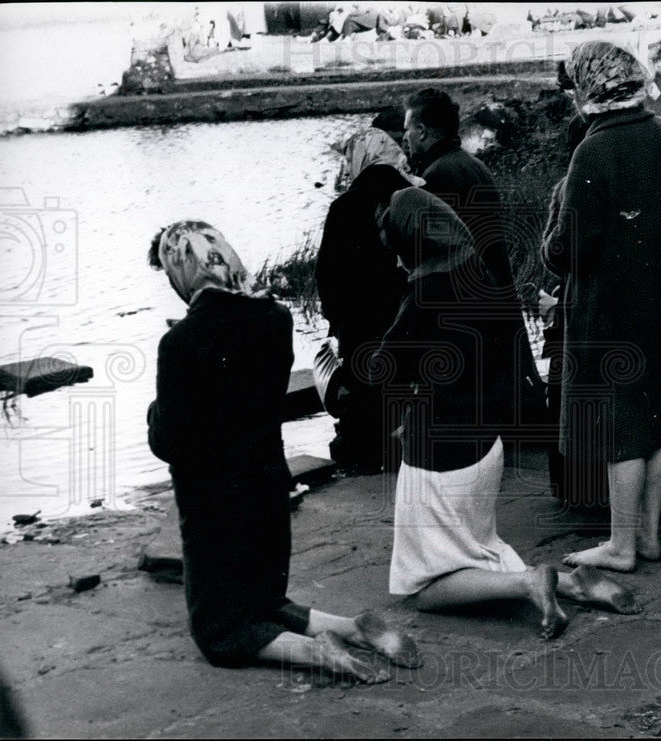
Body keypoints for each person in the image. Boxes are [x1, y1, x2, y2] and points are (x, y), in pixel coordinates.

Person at [147, 220, 419, 680]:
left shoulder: (178, 343)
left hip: (212, 500)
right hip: (268, 481)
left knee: (221, 632)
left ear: (181, 272)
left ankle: (320, 653)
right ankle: (352, 628)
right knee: (265, 601)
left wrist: (156, 409)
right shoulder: (276, 317)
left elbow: (170, 440)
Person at [376, 188, 640, 640]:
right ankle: (573, 582)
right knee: (478, 548)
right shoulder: (480, 275)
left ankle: (527, 583)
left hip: (439, 459)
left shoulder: (424, 296)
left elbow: (383, 368)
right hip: (486, 449)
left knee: (421, 586)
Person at [542, 41, 661, 572]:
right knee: (656, 421)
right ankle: (648, 537)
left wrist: (549, 240)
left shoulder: (594, 149)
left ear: (591, 87)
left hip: (610, 313)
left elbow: (571, 250)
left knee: (618, 429)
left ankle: (621, 545)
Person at [403, 87, 545, 432]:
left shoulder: (436, 177)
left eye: (408, 128)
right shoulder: (472, 165)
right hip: (494, 290)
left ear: (422, 130)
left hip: (466, 300)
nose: (405, 136)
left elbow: (430, 252)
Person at [315, 129, 422, 474]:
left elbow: (326, 273)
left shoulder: (344, 206)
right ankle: (408, 449)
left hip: (359, 317)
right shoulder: (413, 193)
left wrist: (335, 319)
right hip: (405, 306)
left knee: (365, 385)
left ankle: (372, 455)